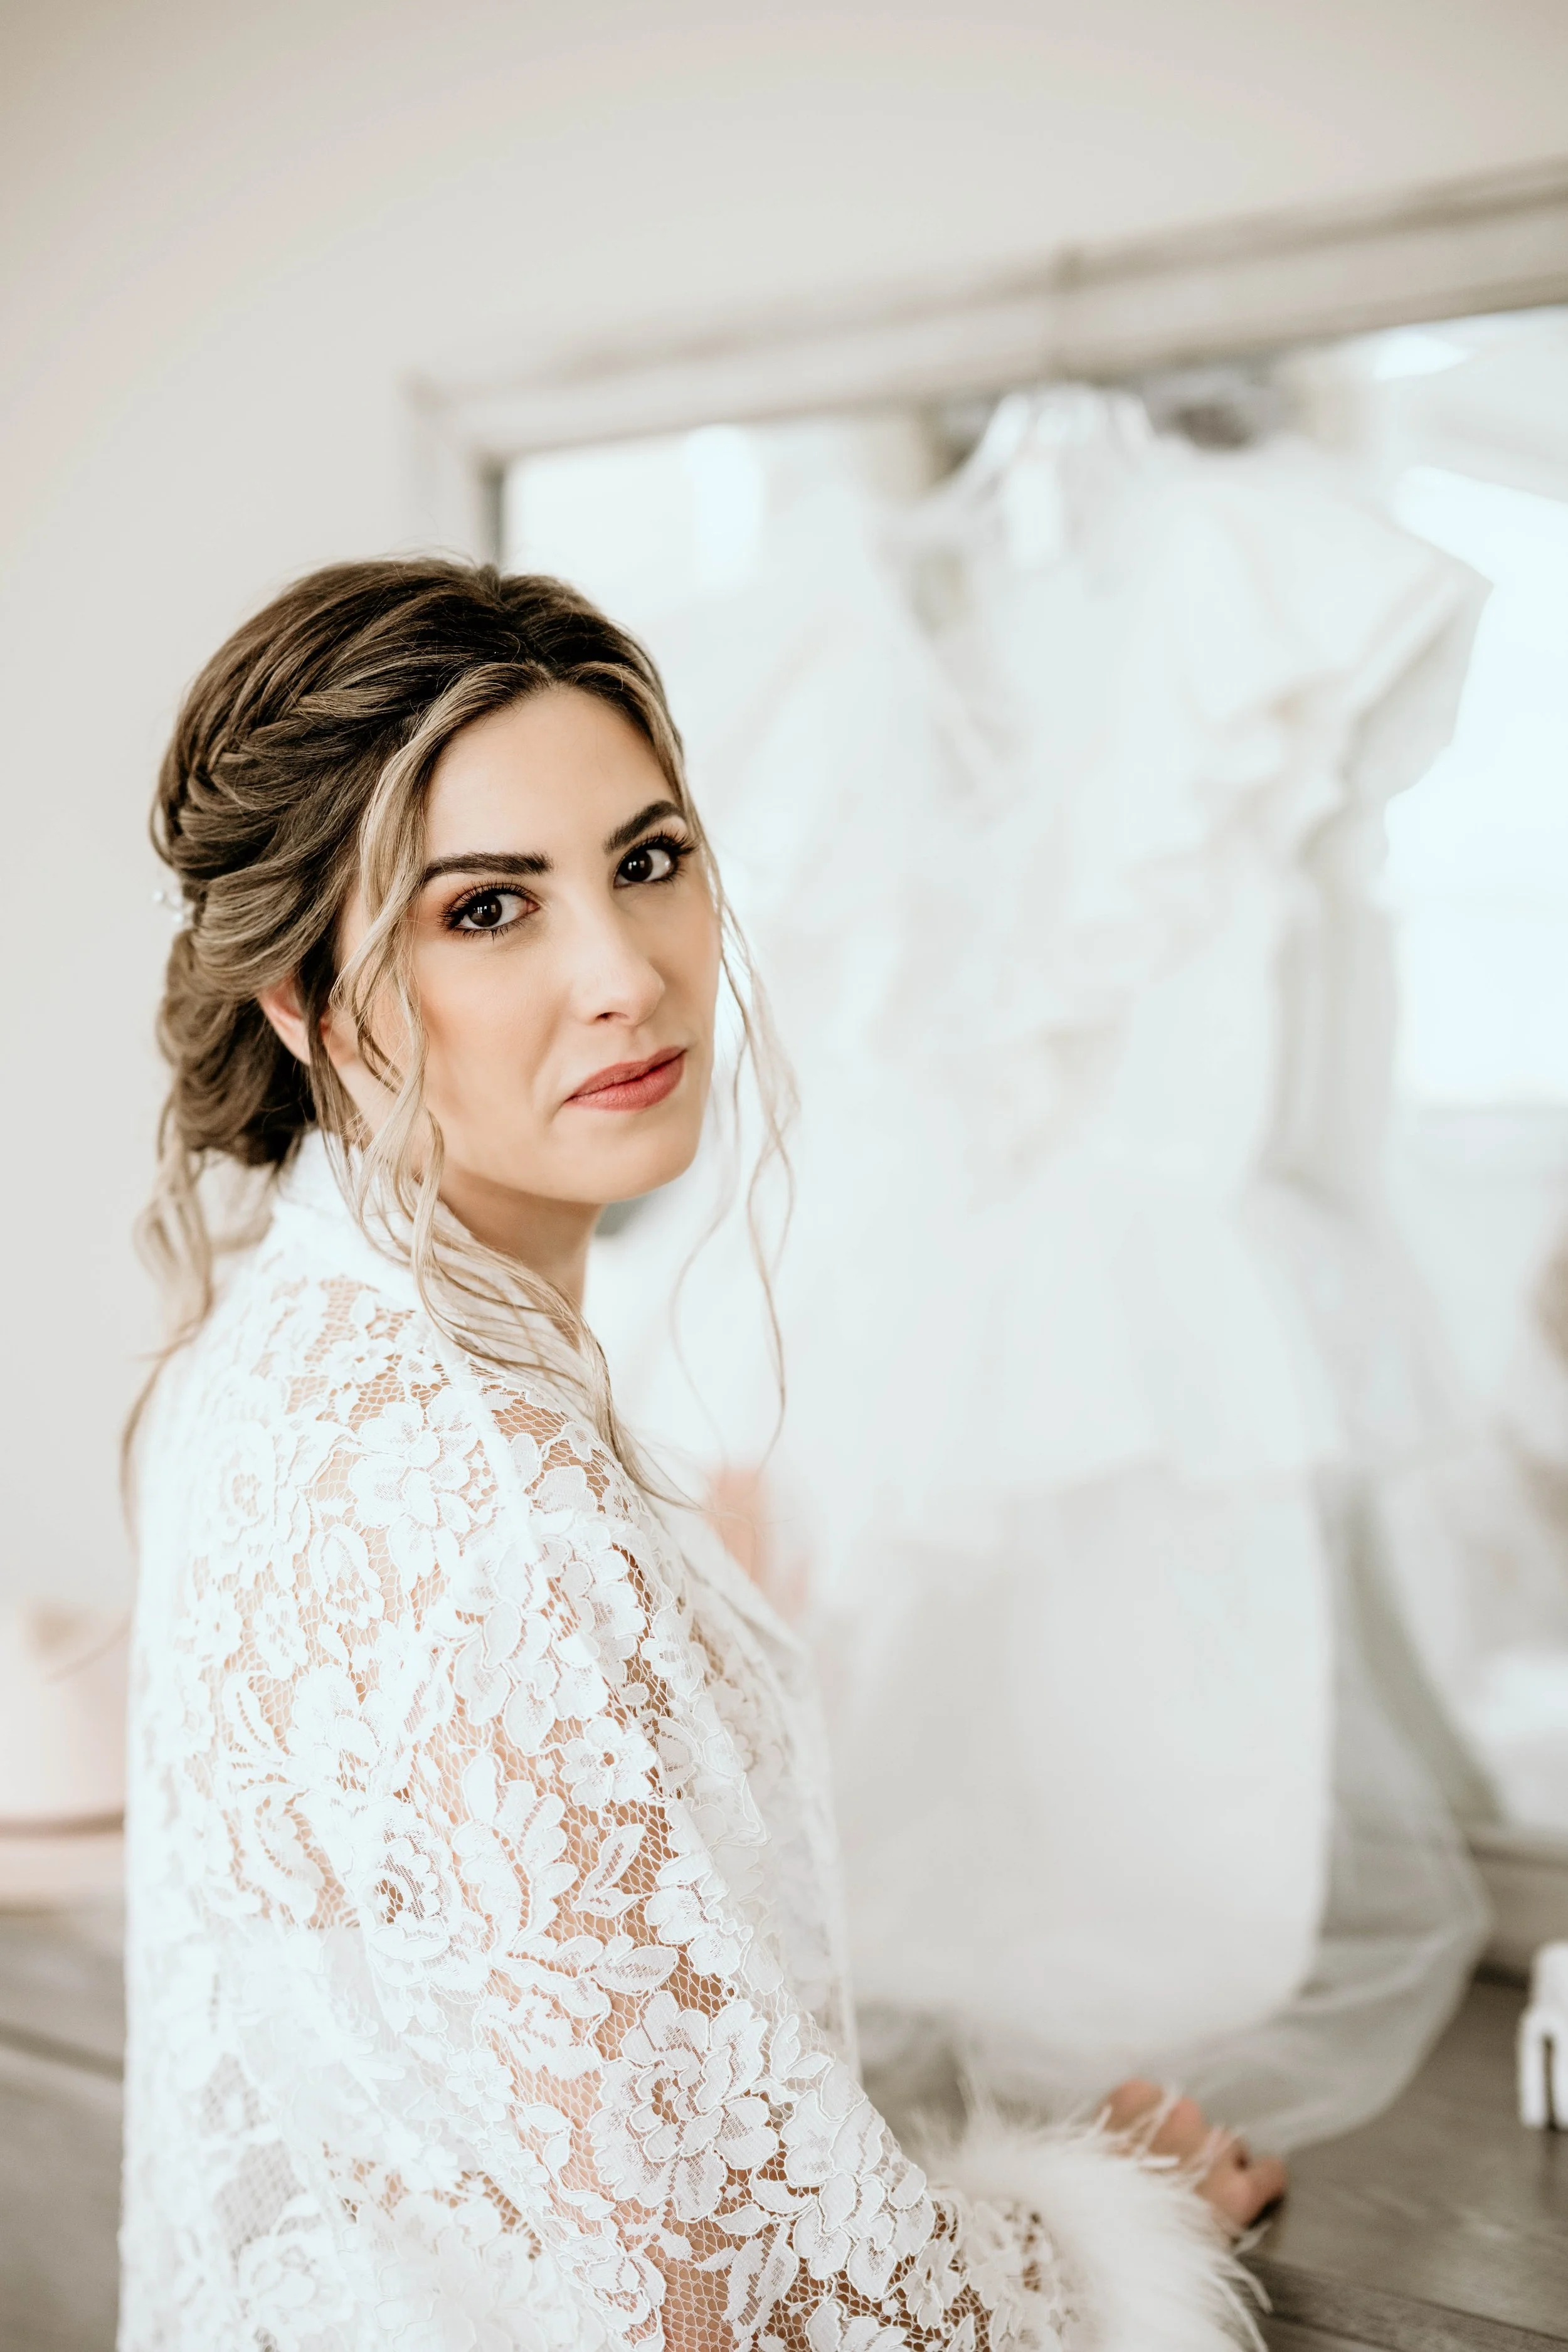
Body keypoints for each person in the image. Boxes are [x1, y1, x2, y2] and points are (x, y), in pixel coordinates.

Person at [121, 559, 1282, 2352]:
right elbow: (720, 2307)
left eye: (647, 862)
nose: (625, 977)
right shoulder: (490, 1489)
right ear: (302, 993)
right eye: (487, 909)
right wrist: (1098, 2239)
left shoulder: (275, 1350)